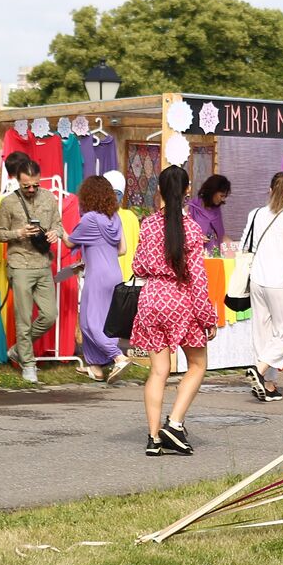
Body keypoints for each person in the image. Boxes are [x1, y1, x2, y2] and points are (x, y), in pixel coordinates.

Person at [131, 165, 217, 456]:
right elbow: (197, 279)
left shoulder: (147, 225)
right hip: (180, 300)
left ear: (159, 191)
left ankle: (153, 438)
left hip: (151, 298)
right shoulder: (192, 229)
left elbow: (138, 267)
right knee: (197, 365)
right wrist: (208, 317)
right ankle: (175, 423)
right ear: (187, 190)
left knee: (158, 371)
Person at [241, 172, 283, 403]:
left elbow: (244, 245)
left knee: (262, 332)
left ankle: (268, 384)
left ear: (269, 190)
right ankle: (259, 371)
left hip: (257, 279)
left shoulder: (255, 214)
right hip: (280, 282)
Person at [0, 158, 63, 383]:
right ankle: (28, 363)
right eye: (27, 186)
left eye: (35, 185)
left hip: (43, 263)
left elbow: (59, 224)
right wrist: (19, 233)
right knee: (23, 318)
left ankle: (18, 349)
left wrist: (56, 233)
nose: (32, 189)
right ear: (17, 181)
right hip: (20, 263)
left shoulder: (49, 198)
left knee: (49, 315)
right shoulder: (8, 203)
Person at [68, 174, 131, 383]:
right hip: (114, 274)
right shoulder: (115, 217)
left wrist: (56, 230)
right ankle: (95, 367)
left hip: (97, 276)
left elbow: (70, 242)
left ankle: (118, 356)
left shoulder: (89, 219)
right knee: (105, 322)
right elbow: (122, 249)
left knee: (89, 322)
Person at [103, 170, 140, 281]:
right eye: (111, 192)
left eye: (117, 194)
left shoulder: (130, 217)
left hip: (127, 279)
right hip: (105, 277)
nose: (114, 197)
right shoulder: (98, 217)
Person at [188, 174, 231, 255]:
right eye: (221, 196)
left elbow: (221, 235)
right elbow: (185, 235)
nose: (223, 199)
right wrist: (198, 238)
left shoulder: (216, 210)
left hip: (215, 255)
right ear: (212, 191)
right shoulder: (191, 208)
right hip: (196, 257)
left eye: (225, 196)